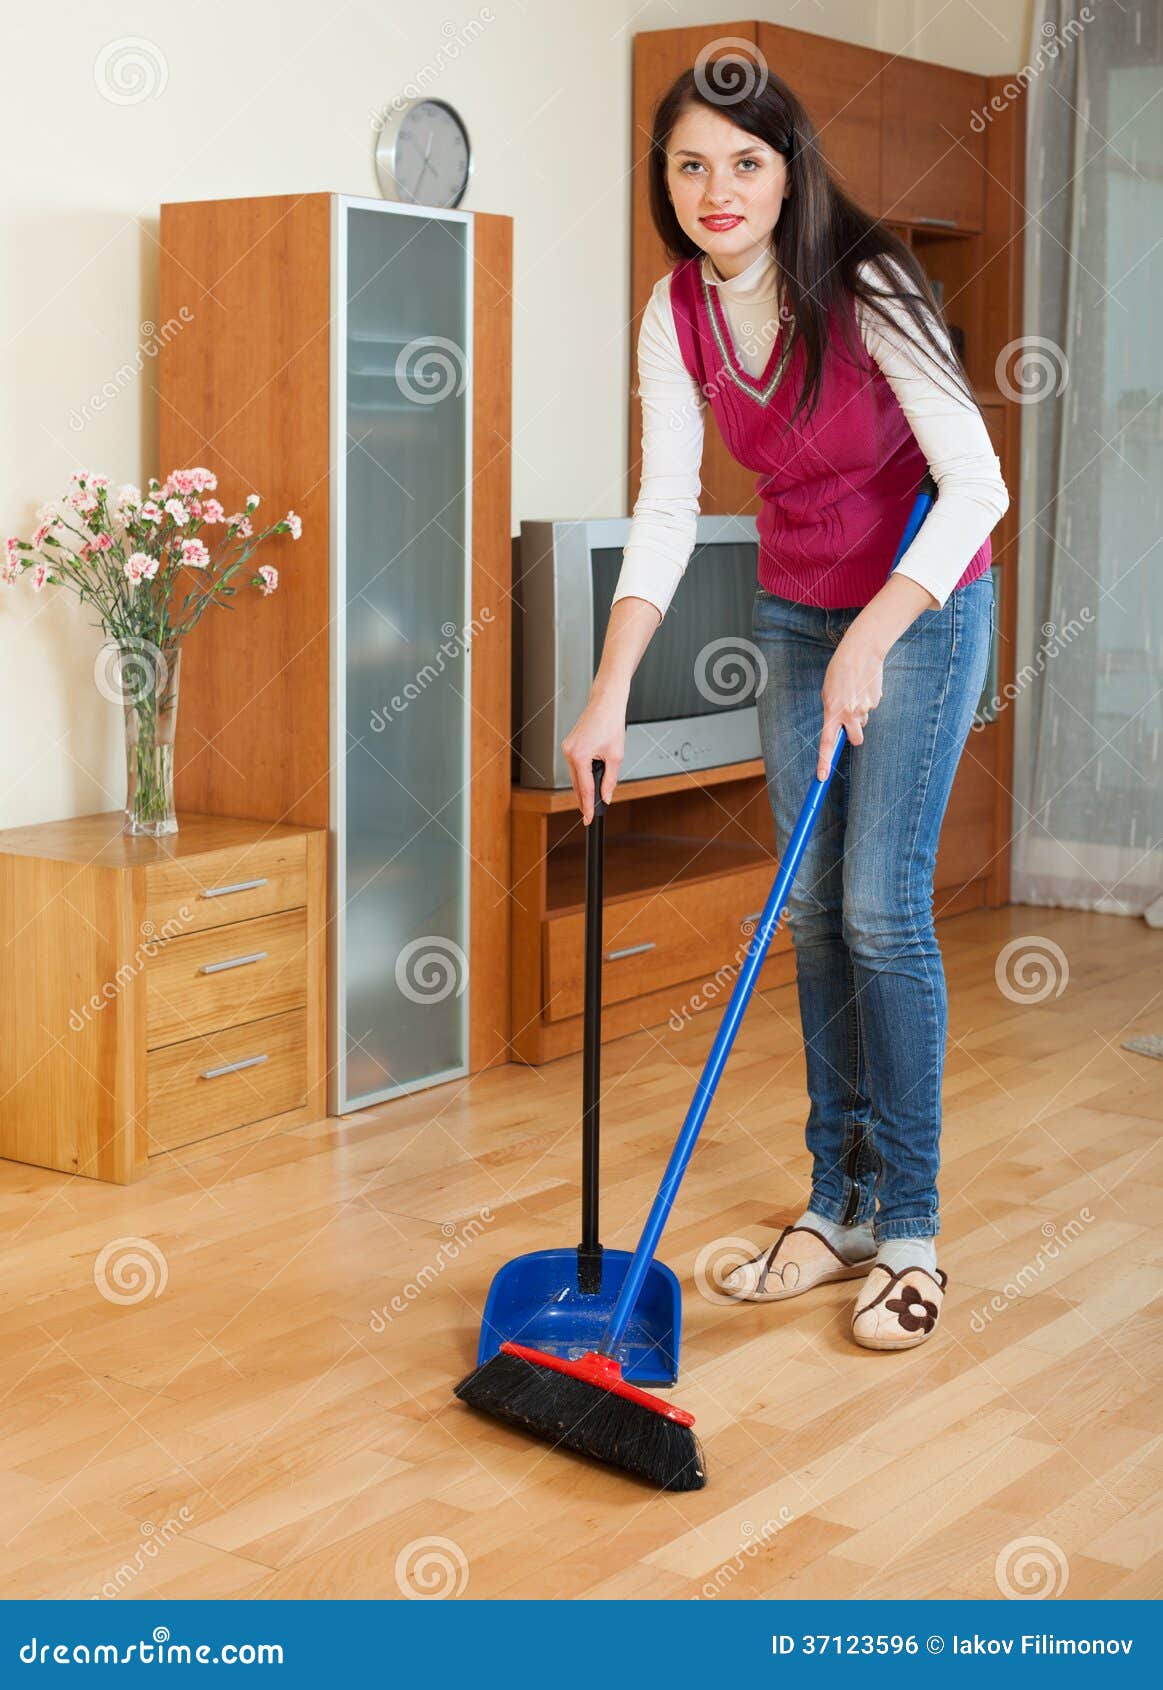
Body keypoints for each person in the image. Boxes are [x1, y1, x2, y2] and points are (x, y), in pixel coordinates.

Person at [560, 62, 1008, 1352]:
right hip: (797, 611)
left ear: (789, 170)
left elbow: (976, 485)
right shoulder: (676, 311)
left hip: (921, 605)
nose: (718, 190)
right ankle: (838, 1205)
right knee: (810, 908)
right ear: (665, 179)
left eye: (745, 163)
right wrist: (608, 694)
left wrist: (876, 632)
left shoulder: (870, 286)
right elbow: (664, 505)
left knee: (879, 908)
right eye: (691, 164)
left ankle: (909, 1230)